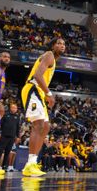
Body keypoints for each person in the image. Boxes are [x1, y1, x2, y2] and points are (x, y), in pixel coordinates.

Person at [20, 37, 66, 177]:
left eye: (64, 44)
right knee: (39, 125)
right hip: (33, 89)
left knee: (46, 127)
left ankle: (33, 163)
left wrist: (45, 94)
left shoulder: (53, 59)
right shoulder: (49, 55)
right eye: (59, 43)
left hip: (39, 92)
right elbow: (37, 75)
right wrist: (49, 94)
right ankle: (30, 163)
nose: (62, 46)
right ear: (53, 46)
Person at [0, 102, 21, 171]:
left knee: (8, 152)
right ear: (10, 108)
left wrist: (18, 136)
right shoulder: (6, 115)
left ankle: (4, 166)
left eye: (15, 108)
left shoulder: (17, 117)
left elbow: (18, 127)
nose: (14, 109)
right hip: (4, 136)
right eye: (13, 107)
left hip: (12, 137)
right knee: (0, 151)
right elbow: (0, 125)